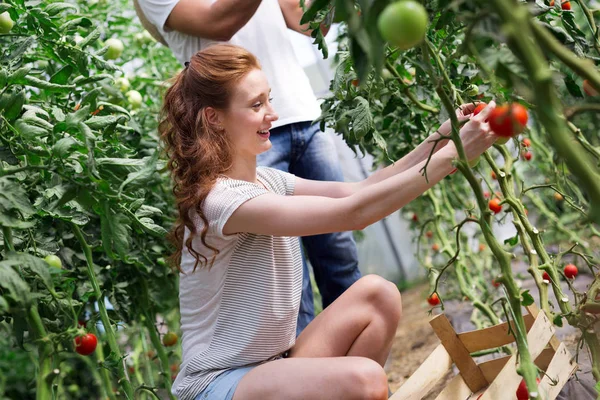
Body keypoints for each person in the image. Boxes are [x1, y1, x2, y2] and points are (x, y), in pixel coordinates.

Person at [159, 44, 498, 400]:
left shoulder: (269, 181)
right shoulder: (223, 200)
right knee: (366, 380)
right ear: (214, 118)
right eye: (257, 105)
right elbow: (355, 213)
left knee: (378, 295)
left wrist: (442, 139)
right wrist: (455, 157)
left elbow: (361, 190)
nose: (272, 115)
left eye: (269, 100)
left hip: (273, 366)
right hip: (219, 384)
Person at [137, 0, 360, 336]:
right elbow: (218, 22)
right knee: (286, 281)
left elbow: (311, 23)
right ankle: (304, 380)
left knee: (339, 252)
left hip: (300, 113)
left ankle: (362, 368)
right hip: (241, 138)